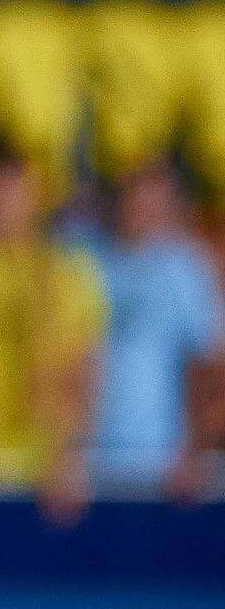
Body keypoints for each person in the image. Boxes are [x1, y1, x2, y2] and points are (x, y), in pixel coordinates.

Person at [0, 151, 104, 523]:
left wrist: (69, 457)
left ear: (34, 196)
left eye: (10, 190)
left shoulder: (66, 272)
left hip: (40, 468)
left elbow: (81, 369)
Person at [81, 162, 224, 498]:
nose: (139, 207)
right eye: (133, 195)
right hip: (90, 464)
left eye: (150, 199)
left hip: (159, 464)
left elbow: (207, 367)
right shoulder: (87, 260)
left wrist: (195, 451)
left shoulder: (183, 269)